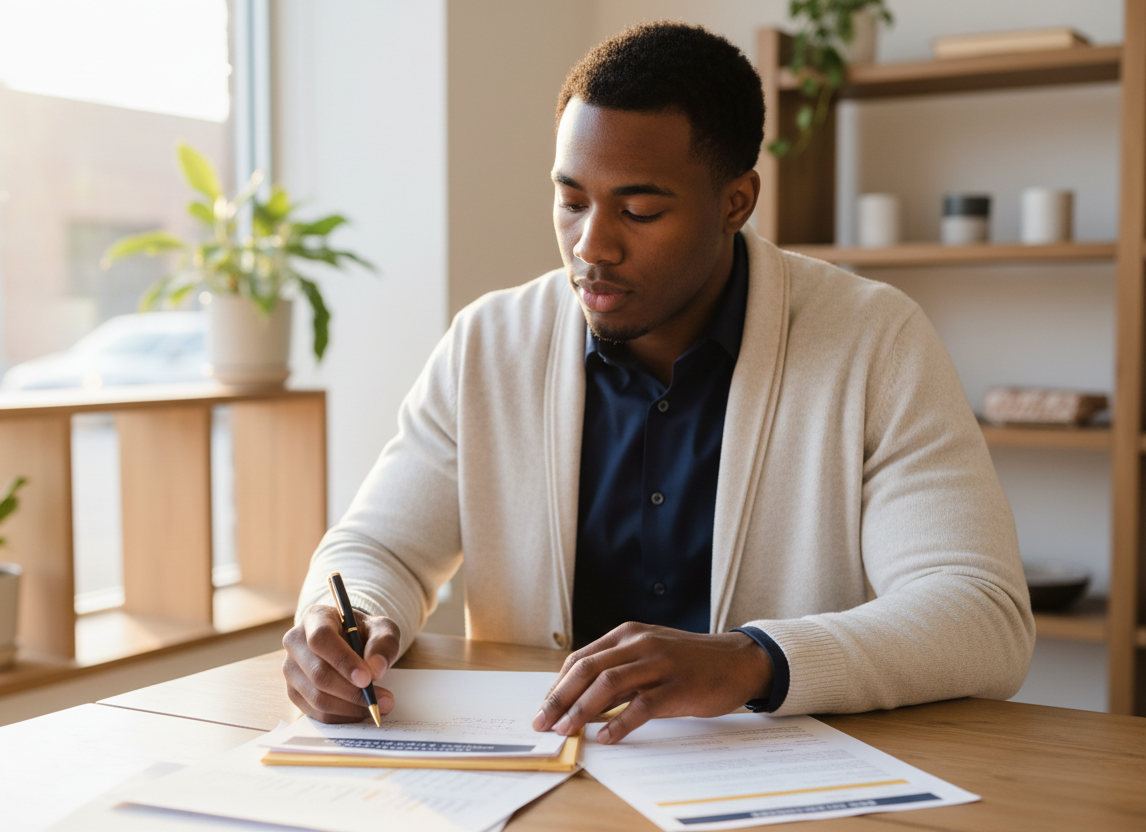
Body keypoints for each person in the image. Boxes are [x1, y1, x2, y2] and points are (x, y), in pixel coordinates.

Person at [281, 21, 1034, 745]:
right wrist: (345, 620)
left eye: (638, 210)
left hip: (772, 791)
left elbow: (982, 615)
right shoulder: (489, 343)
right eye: (571, 201)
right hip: (539, 781)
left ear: (735, 202)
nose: (591, 245)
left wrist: (751, 660)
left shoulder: (875, 341)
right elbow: (380, 548)